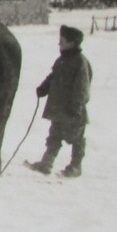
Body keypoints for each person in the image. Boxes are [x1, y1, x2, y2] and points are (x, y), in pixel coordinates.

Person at [26, 24, 93, 177]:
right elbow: (53, 76)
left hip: (74, 111)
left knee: (77, 139)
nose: (59, 44)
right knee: (54, 137)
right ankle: (46, 164)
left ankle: (75, 167)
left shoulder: (80, 62)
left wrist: (76, 108)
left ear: (72, 43)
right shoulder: (61, 60)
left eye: (62, 41)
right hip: (59, 110)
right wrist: (44, 87)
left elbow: (82, 88)